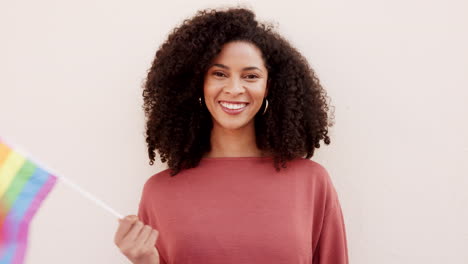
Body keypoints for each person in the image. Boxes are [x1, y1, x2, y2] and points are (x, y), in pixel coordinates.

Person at [114, 6, 348, 264]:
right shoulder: (159, 192)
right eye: (219, 74)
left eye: (250, 76)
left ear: (268, 86)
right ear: (198, 83)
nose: (235, 88)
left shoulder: (311, 182)